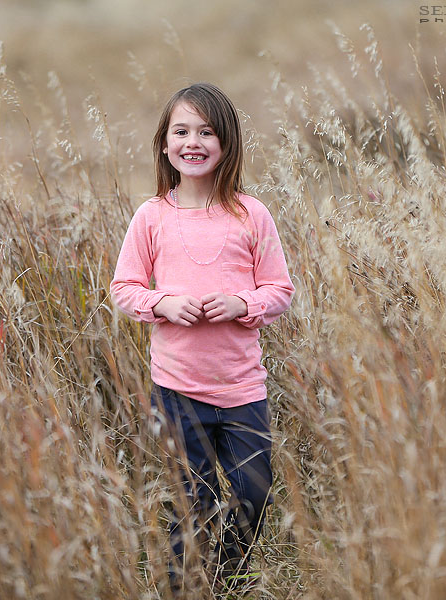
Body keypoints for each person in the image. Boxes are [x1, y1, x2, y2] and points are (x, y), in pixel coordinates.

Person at [110, 82, 294, 595]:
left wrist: (244, 305)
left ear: (226, 143)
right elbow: (123, 288)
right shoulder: (152, 216)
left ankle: (227, 581)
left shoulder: (250, 214)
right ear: (165, 144)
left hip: (241, 388)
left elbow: (279, 289)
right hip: (176, 388)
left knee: (254, 491)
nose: (194, 142)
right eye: (182, 131)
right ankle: (179, 585)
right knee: (191, 497)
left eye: (206, 131)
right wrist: (161, 303)